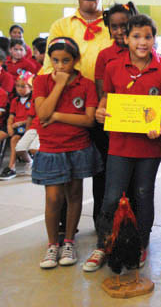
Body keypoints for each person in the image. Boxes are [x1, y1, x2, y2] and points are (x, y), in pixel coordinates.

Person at [84, 15, 161, 272]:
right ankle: (103, 244)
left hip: (149, 147)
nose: (142, 42)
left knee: (144, 195)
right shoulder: (113, 67)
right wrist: (100, 112)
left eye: (147, 36)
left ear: (154, 38)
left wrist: (160, 123)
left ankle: (141, 244)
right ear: (126, 38)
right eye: (136, 37)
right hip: (120, 144)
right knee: (111, 197)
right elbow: (106, 100)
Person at [42, 0, 113, 226]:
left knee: (103, 170)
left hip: (105, 106)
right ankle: (61, 226)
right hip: (70, 107)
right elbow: (49, 67)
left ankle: (102, 224)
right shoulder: (62, 25)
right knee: (64, 170)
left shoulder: (113, 24)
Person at [32, 37, 102, 269]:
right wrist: (60, 85)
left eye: (66, 61)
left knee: (74, 195)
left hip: (78, 148)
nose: (60, 66)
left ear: (76, 60)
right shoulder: (41, 81)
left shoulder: (87, 84)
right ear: (49, 60)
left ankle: (69, 240)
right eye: (55, 61)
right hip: (51, 149)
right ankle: (53, 244)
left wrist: (58, 116)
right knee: (53, 199)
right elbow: (42, 114)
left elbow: (89, 120)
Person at [94, 2, 139, 98]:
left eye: (124, 26)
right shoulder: (104, 55)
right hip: (113, 110)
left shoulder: (143, 52)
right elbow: (101, 93)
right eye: (114, 27)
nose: (119, 32)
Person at [0, 72, 34, 180]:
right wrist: (9, 125)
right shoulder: (15, 100)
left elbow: (33, 117)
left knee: (15, 139)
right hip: (14, 125)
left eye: (23, 86)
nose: (19, 89)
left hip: (27, 126)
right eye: (17, 86)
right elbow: (11, 115)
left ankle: (11, 167)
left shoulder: (34, 100)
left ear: (31, 87)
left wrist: (20, 123)